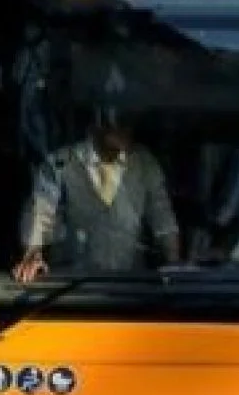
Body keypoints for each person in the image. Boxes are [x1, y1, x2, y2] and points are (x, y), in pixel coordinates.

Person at [13, 104, 180, 282]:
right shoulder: (61, 164)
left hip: (131, 291)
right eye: (118, 120)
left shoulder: (145, 164)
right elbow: (41, 213)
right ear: (96, 121)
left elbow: (164, 222)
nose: (126, 129)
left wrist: (175, 266)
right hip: (71, 292)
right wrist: (32, 253)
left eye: (129, 121)